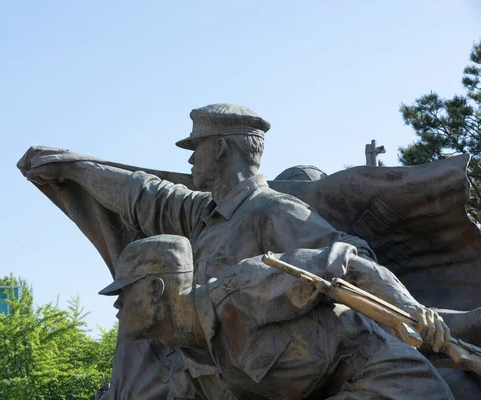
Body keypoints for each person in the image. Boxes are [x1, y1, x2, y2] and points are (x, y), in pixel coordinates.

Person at [23, 103, 450, 398]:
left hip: (328, 372)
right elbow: (143, 194)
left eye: (197, 149)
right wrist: (75, 168)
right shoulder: (203, 213)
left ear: (223, 148)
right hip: (234, 372)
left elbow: (350, 261)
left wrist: (412, 312)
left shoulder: (271, 211)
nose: (191, 161)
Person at [100, 234, 454, 400]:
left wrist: (410, 310)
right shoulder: (190, 368)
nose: (117, 307)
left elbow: (348, 266)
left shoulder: (243, 289)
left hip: (389, 382)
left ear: (157, 290)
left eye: (124, 293)